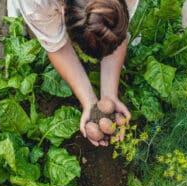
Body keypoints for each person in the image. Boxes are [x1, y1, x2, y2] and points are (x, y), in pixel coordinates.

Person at [8, 0, 139, 146]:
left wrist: (108, 96)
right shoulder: (36, 3)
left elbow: (111, 34)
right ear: (63, 13)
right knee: (35, 15)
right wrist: (89, 101)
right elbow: (57, 47)